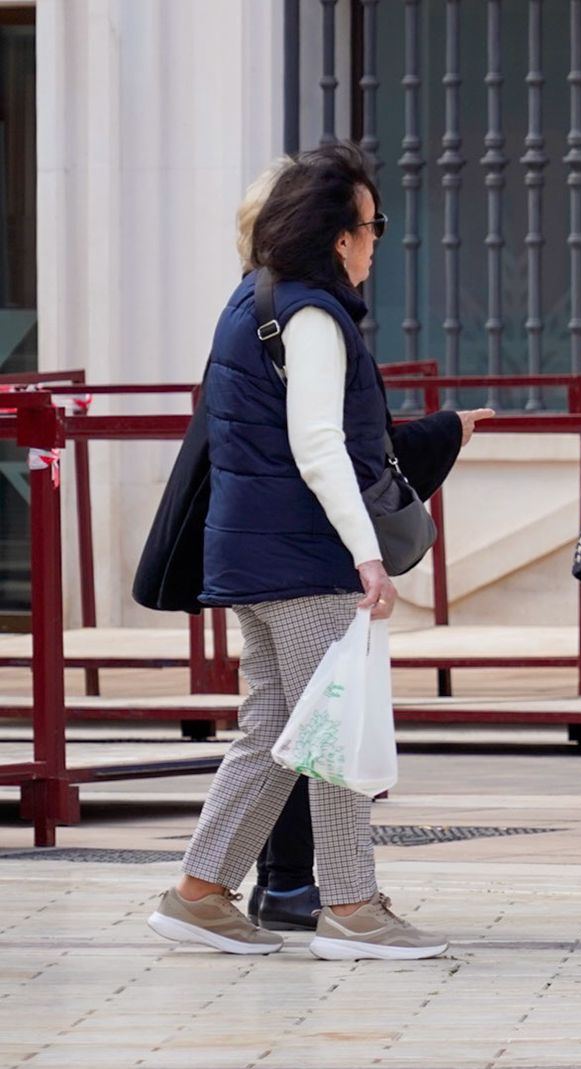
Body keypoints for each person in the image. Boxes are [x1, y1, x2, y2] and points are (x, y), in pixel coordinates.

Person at [147, 144, 482, 960]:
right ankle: (352, 905)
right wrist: (369, 557)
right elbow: (321, 447)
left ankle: (199, 891)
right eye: (374, 226)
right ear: (340, 237)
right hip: (304, 557)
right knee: (335, 728)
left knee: (272, 728)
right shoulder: (314, 317)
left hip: (250, 553)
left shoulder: (248, 300)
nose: (376, 243)